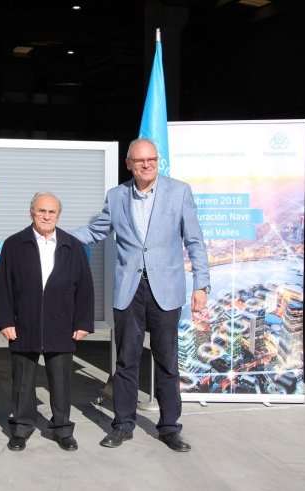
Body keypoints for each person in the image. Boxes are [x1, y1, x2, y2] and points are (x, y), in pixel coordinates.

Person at [69, 138, 210, 452]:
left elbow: (195, 242)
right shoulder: (117, 196)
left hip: (166, 290)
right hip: (129, 290)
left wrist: (201, 285)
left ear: (157, 162)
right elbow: (96, 231)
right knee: (126, 361)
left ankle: (170, 428)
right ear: (129, 164)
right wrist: (56, 233)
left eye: (152, 160)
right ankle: (122, 425)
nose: (147, 165)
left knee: (167, 363)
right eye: (140, 161)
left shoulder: (179, 191)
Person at [0, 192, 94, 452]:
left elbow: (85, 288)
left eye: (52, 212)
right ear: (32, 213)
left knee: (61, 382)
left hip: (61, 324)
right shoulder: (14, 244)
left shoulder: (72, 246)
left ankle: (62, 429)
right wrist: (5, 321)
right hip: (23, 324)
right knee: (23, 382)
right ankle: (21, 428)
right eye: (41, 211)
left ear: (58, 215)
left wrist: (82, 322)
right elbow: (4, 286)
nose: (47, 216)